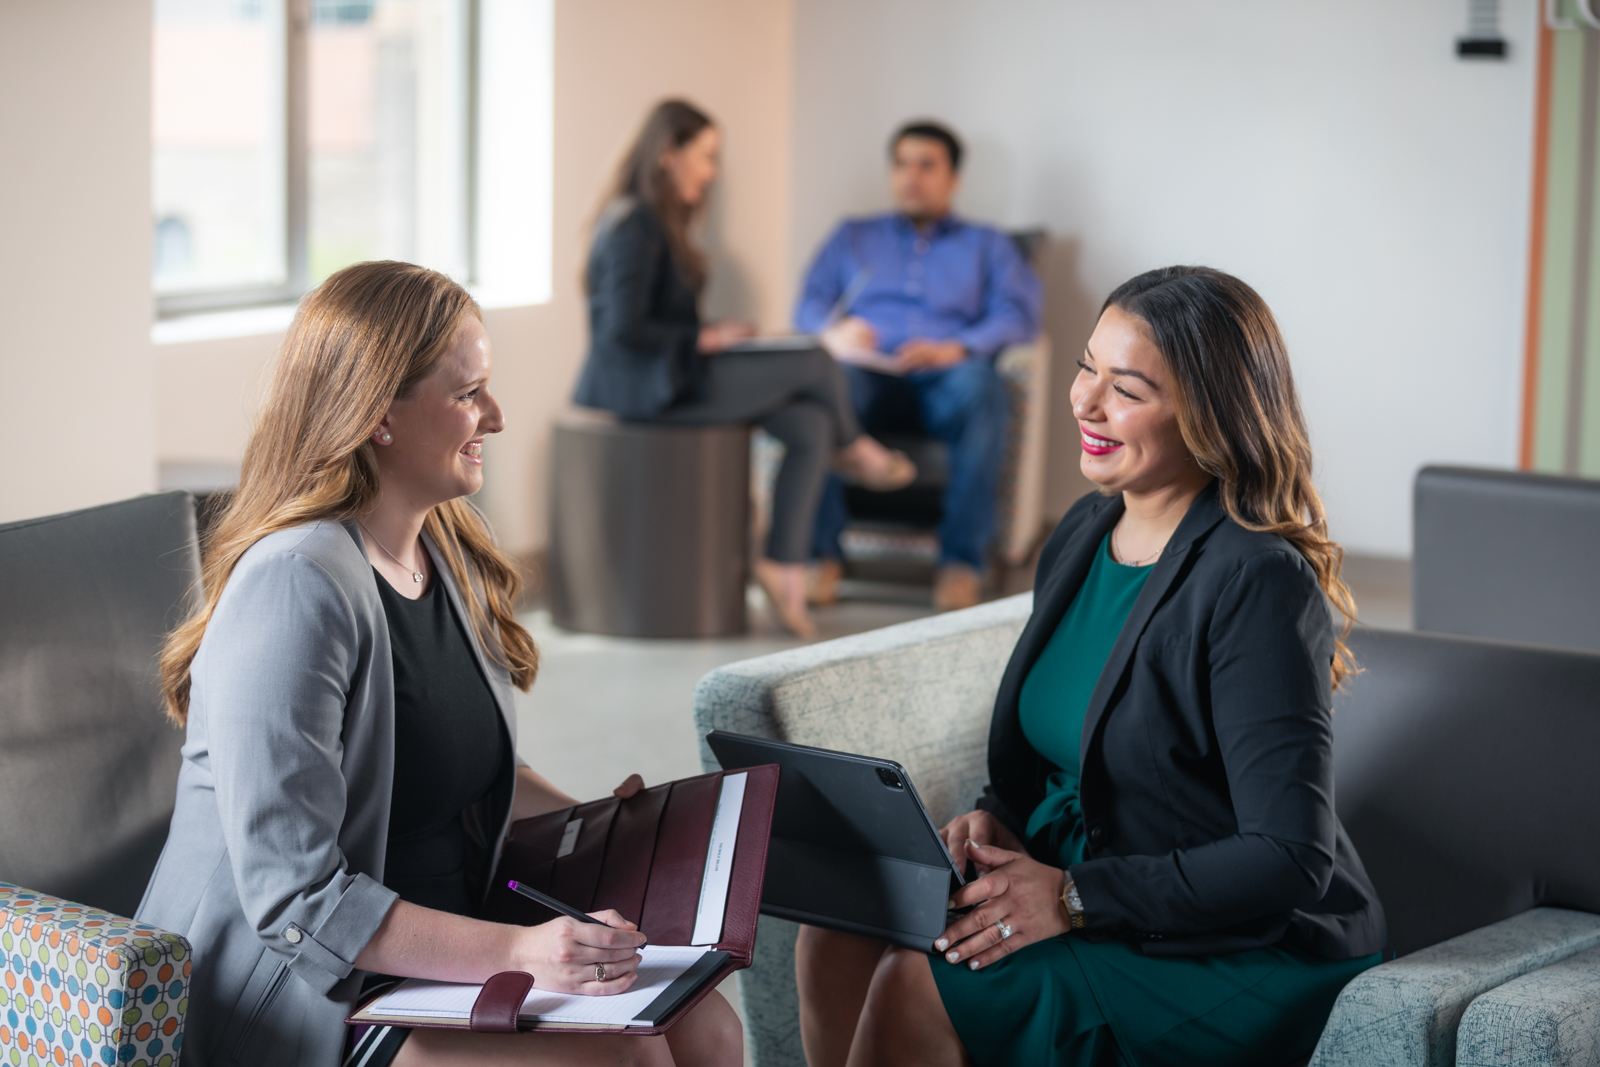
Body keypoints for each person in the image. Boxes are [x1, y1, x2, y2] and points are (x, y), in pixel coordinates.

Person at [136, 261, 742, 1067]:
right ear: (379, 414)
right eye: (468, 393)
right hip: (307, 989)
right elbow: (296, 902)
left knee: (706, 1026)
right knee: (621, 1059)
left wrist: (608, 817)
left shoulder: (440, 546)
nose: (494, 415)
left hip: (435, 948)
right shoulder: (295, 584)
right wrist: (523, 953)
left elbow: (453, 763)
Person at [793, 266, 1387, 1067]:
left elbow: (1289, 856)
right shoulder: (1083, 529)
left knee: (916, 979)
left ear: (1209, 415)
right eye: (1086, 368)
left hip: (1237, 945)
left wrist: (1072, 897)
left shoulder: (1256, 576)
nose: (1085, 401)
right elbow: (1060, 749)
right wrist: (995, 817)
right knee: (832, 927)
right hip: (1079, 875)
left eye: (1127, 388)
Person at [572, 99, 914, 638]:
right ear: (667, 153)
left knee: (810, 425)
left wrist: (712, 333)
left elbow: (653, 318)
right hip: (643, 391)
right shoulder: (632, 222)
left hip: (670, 376)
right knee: (815, 357)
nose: (711, 173)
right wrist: (704, 336)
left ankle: (782, 563)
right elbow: (620, 329)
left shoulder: (657, 223)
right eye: (705, 157)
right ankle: (859, 452)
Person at [795, 120, 1042, 612]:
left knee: (983, 390)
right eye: (902, 164)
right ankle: (820, 556)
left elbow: (1019, 315)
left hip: (945, 377)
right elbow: (808, 305)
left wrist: (957, 346)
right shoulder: (852, 236)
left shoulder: (988, 245)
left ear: (953, 178)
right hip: (867, 374)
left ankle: (960, 563)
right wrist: (833, 331)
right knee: (825, 387)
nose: (912, 176)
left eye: (926, 165)